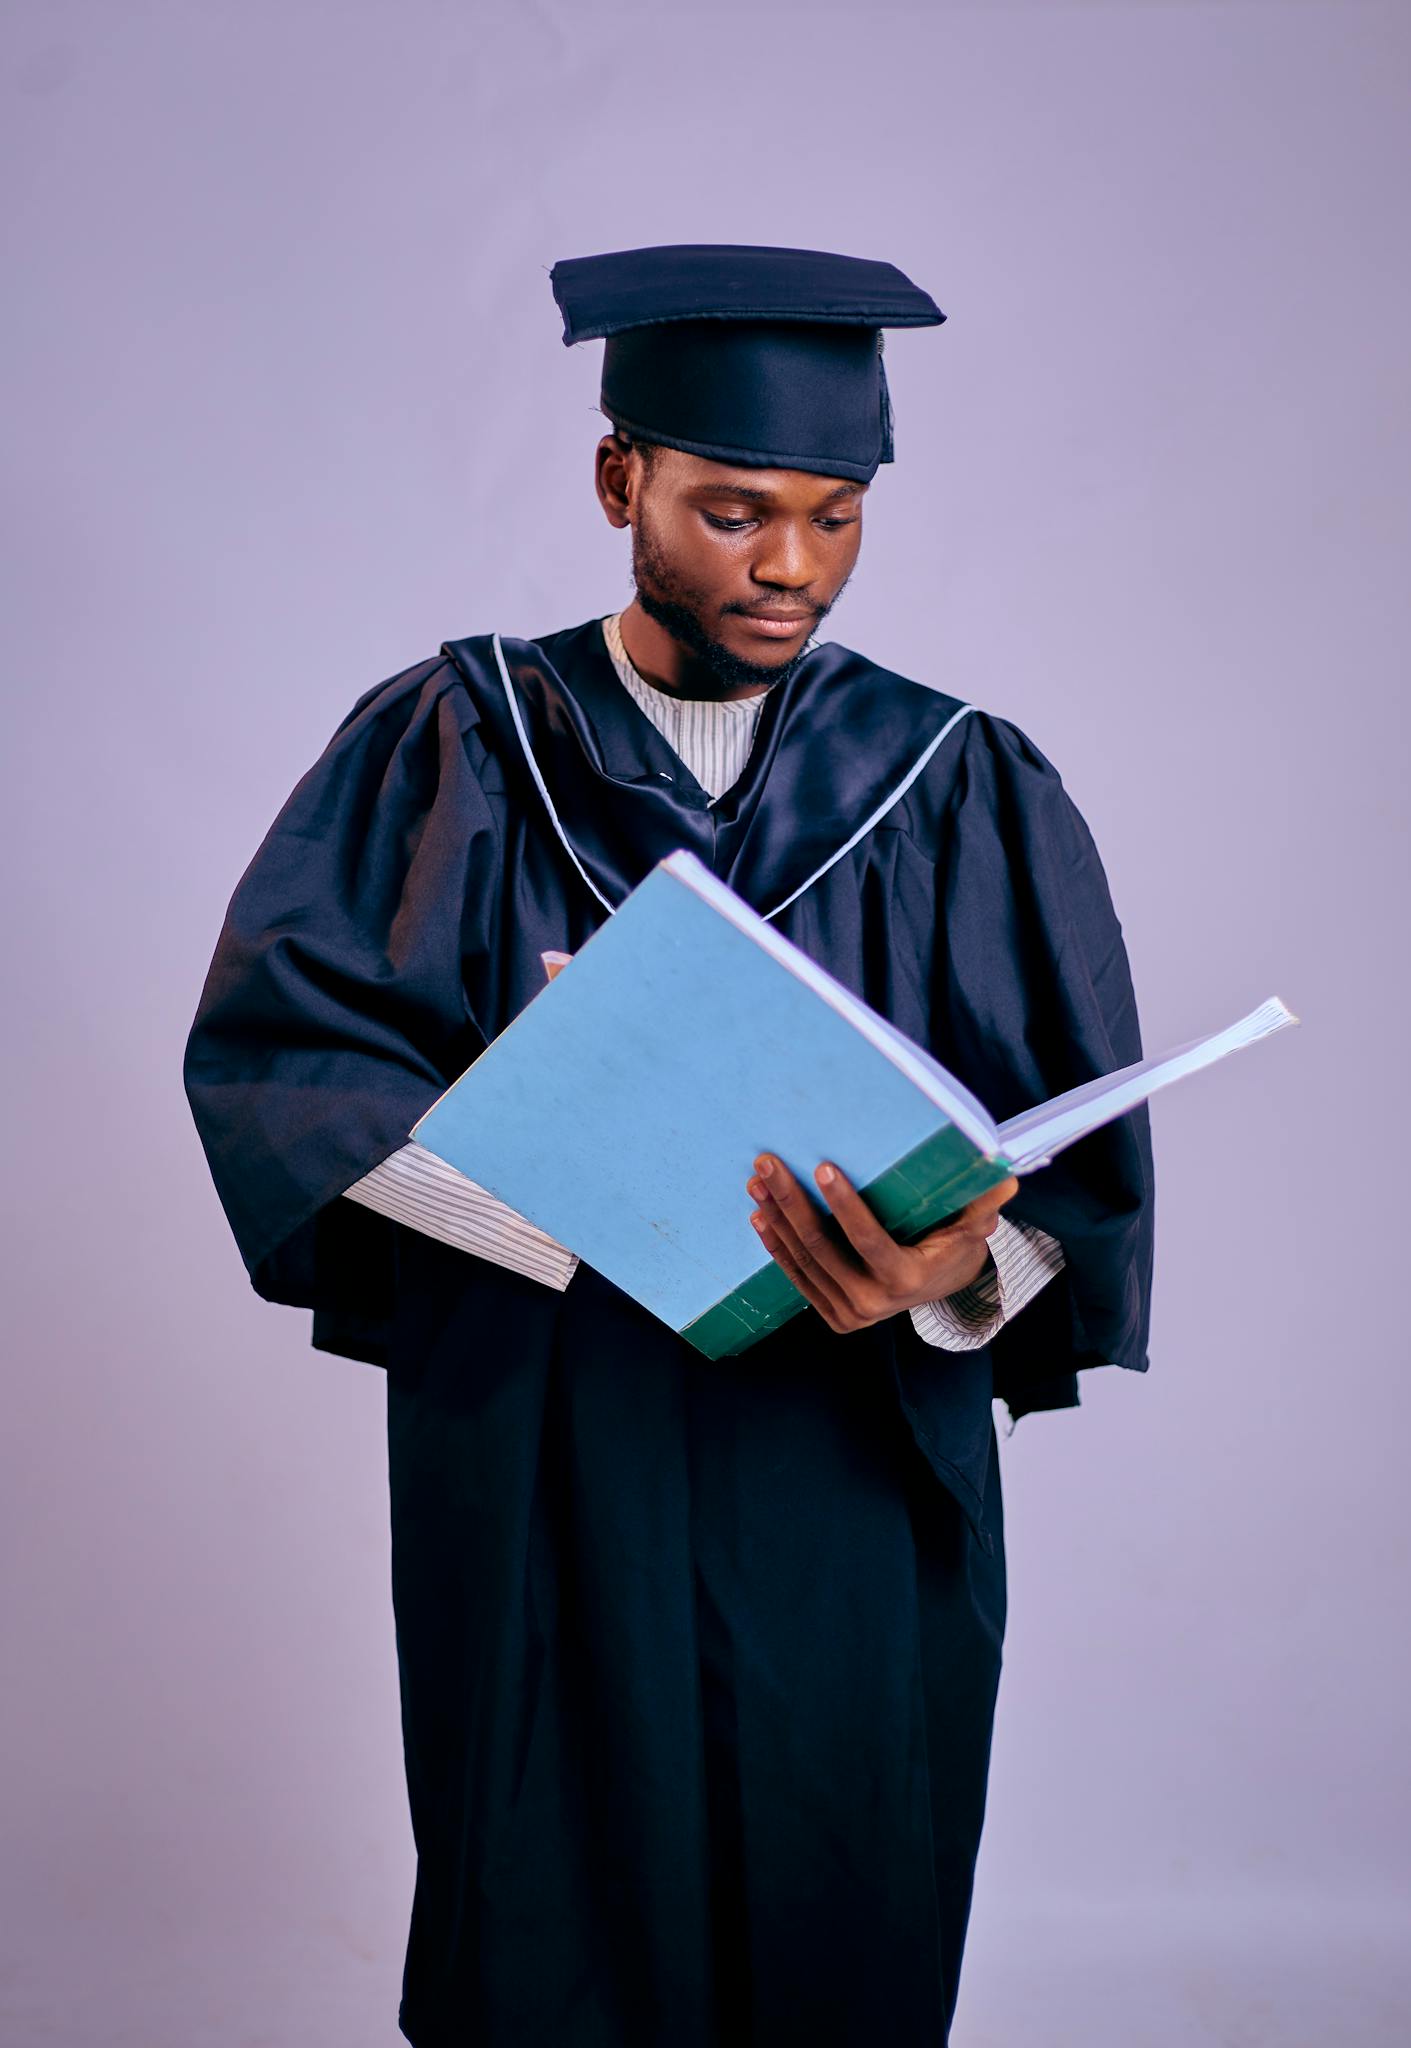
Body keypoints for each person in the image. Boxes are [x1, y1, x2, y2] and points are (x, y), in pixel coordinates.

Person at [184, 242, 1154, 2047]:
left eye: (834, 515)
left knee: (839, 1901)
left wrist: (959, 1269)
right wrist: (550, 1182)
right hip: (555, 1448)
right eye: (732, 510)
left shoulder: (958, 781)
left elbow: (1069, 1187)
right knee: (547, 1899)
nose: (790, 564)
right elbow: (281, 1059)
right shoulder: (457, 743)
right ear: (619, 476)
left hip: (850, 1470)